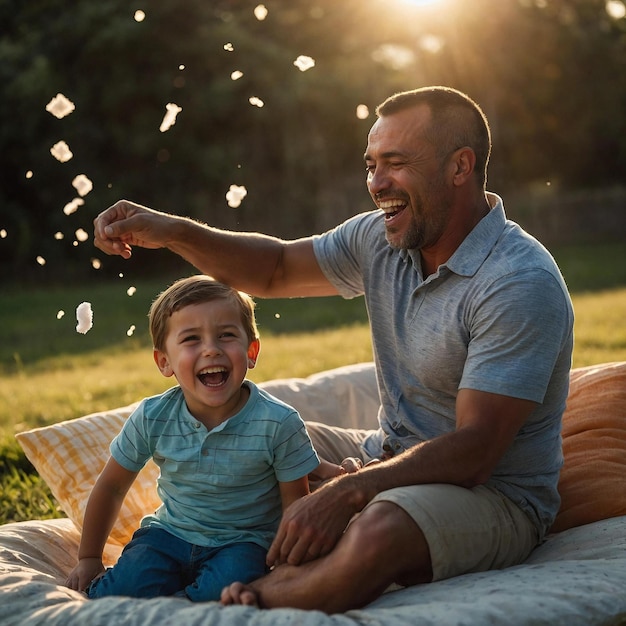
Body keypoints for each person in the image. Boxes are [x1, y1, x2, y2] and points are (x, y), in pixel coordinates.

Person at [92, 86, 574, 613]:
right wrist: (174, 231)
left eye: (395, 163)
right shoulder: (382, 240)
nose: (376, 183)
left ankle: (237, 601)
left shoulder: (517, 281)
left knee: (381, 525)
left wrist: (350, 492)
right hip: (389, 454)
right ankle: (204, 553)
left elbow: (477, 450)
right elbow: (274, 268)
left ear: (460, 166)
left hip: (495, 497)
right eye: (371, 165)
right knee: (267, 433)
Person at [65, 274, 324, 601]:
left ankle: (192, 601)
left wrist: (288, 567)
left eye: (226, 335)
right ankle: (181, 596)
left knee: (229, 588)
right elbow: (112, 486)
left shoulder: (278, 422)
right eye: (191, 340)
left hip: (243, 542)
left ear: (252, 350)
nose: (211, 350)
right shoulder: (153, 417)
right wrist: (89, 558)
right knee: (124, 588)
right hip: (168, 535)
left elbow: (295, 504)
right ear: (165, 361)